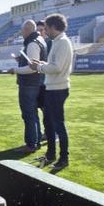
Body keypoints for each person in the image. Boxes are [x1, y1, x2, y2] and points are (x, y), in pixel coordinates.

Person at [29, 13, 73, 170]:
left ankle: (63, 158)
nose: (45, 31)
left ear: (54, 27)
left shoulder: (62, 42)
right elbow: (54, 64)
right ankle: (51, 154)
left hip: (58, 89)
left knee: (58, 125)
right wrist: (42, 63)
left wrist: (39, 67)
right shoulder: (58, 42)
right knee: (48, 123)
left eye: (46, 28)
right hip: (52, 88)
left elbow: (57, 67)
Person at [8, 20, 46, 153]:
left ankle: (31, 144)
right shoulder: (39, 41)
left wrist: (15, 70)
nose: (22, 33)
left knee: (29, 115)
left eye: (23, 30)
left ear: (27, 30)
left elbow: (32, 68)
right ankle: (36, 141)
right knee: (33, 115)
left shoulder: (32, 43)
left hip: (29, 84)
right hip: (36, 83)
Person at [36, 19, 51, 144]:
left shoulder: (50, 43)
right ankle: (48, 132)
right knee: (43, 108)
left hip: (48, 83)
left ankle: (52, 133)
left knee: (48, 110)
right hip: (41, 82)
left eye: (42, 30)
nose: (40, 32)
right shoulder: (40, 43)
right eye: (38, 30)